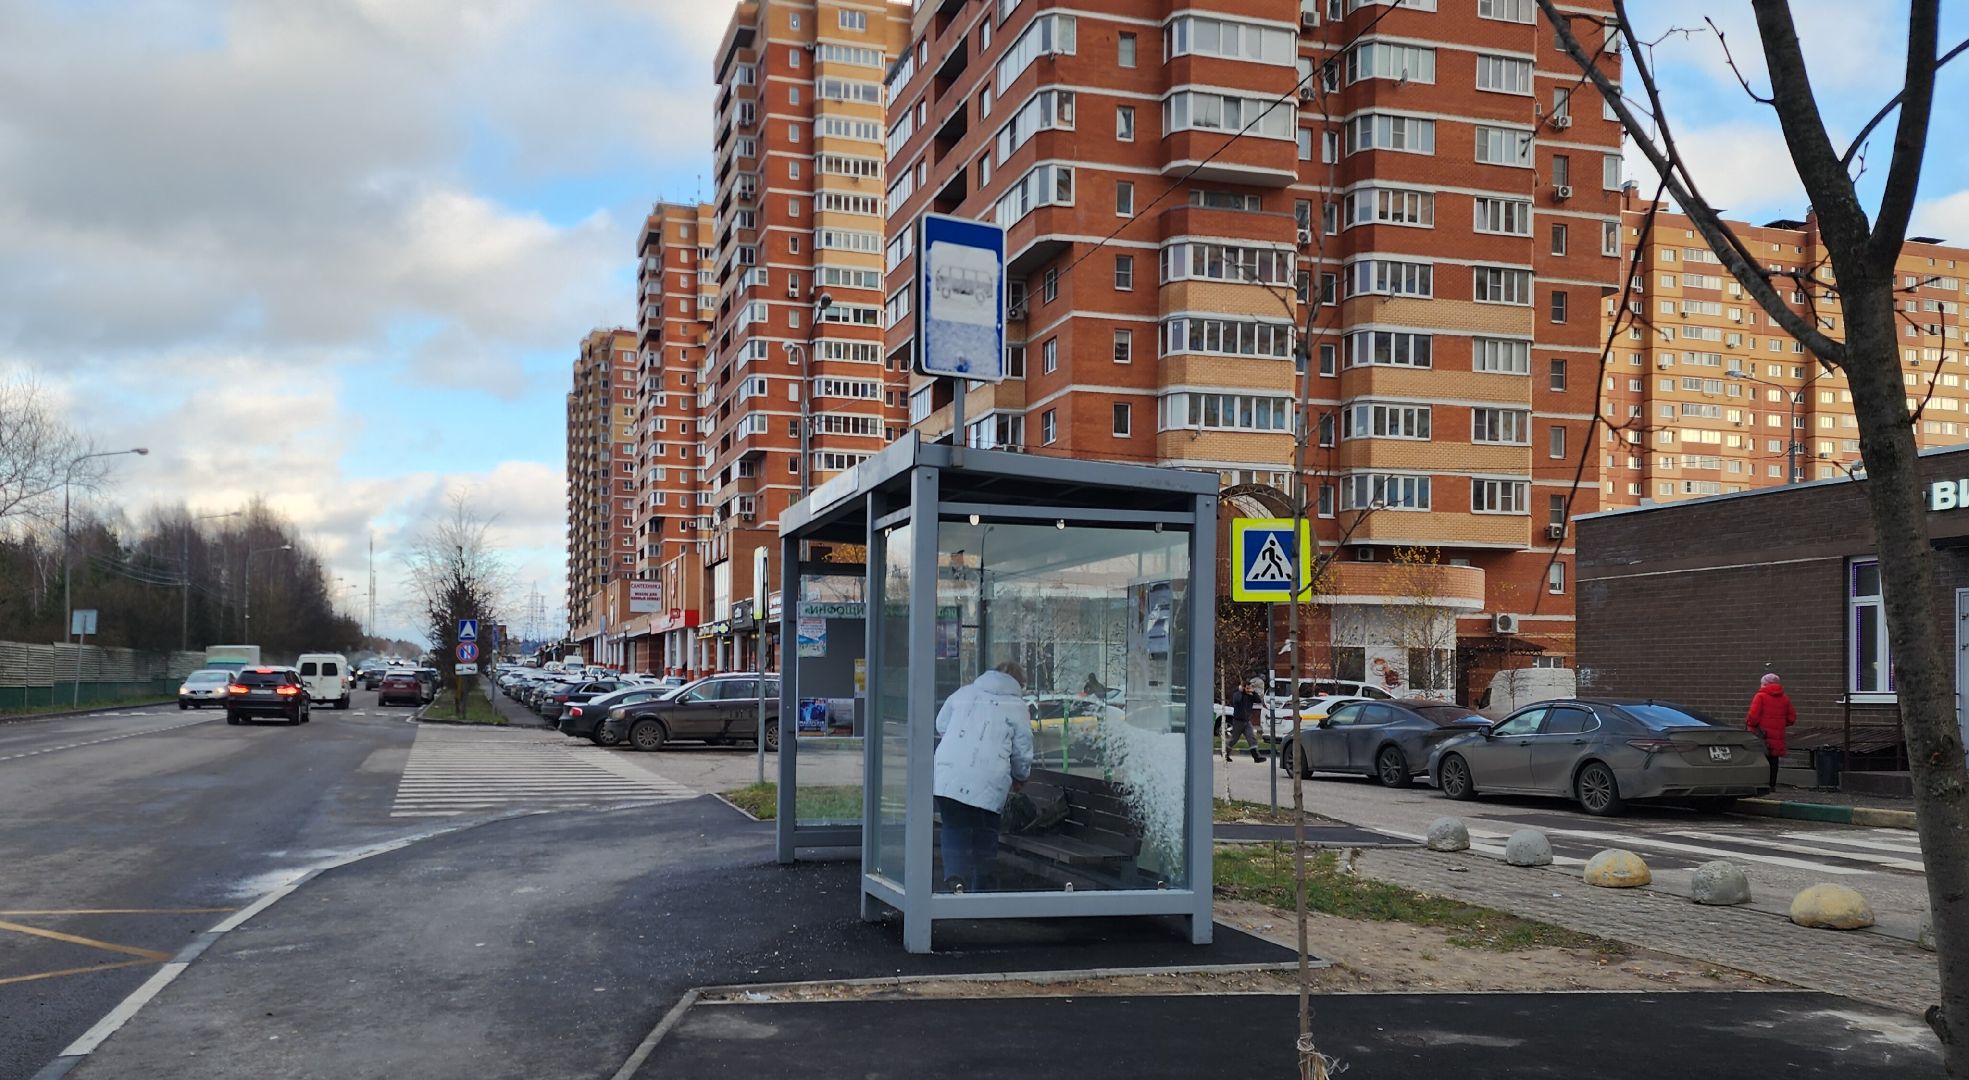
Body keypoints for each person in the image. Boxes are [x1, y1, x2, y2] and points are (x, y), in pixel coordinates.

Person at [933, 661, 1034, 893]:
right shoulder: (1017, 706)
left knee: (953, 826)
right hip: (990, 778)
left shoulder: (964, 693)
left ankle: (955, 878)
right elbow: (1022, 750)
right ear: (1019, 683)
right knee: (985, 831)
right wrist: (1020, 776)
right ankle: (983, 887)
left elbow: (941, 724)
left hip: (949, 773)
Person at [1744, 672, 1797, 791]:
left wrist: (1751, 725)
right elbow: (1791, 718)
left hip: (1761, 734)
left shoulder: (1760, 696)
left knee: (1760, 759)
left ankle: (1761, 784)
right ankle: (1772, 784)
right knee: (1774, 760)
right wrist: (1779, 724)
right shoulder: (1784, 698)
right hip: (1777, 734)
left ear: (1764, 684)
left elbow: (1753, 717)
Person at [1223, 676, 1268, 763]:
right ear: (1243, 687)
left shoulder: (1250, 696)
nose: (1248, 689)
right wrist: (1243, 692)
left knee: (1252, 738)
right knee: (1234, 739)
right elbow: (1237, 700)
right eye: (1247, 687)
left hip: (1246, 721)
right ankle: (1225, 753)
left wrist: (1253, 692)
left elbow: (1258, 700)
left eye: (1249, 687)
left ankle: (1256, 756)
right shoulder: (1237, 694)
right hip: (1238, 721)